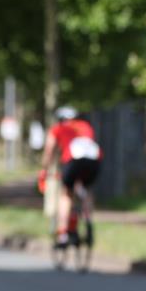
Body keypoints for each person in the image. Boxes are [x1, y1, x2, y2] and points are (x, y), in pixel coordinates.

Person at [39, 106, 102, 247]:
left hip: (73, 160)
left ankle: (63, 233)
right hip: (94, 161)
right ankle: (88, 220)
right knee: (86, 190)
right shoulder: (85, 126)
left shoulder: (57, 128)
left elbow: (49, 151)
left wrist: (44, 170)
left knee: (66, 194)